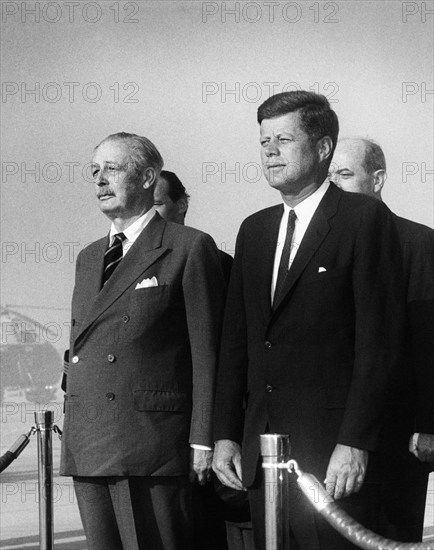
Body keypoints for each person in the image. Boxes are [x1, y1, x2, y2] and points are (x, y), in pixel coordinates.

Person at [212, 91, 406, 550]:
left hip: (331, 459)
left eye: (284, 139)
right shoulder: (254, 230)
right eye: (264, 142)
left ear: (323, 148)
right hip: (262, 459)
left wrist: (355, 442)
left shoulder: (363, 219)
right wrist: (224, 435)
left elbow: (379, 343)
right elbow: (237, 342)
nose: (271, 151)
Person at [60, 132, 226, 550]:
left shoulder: (188, 247)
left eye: (112, 169)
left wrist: (203, 437)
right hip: (89, 441)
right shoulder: (88, 257)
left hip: (151, 444)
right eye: (95, 171)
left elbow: (208, 353)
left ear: (149, 177)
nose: (100, 181)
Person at [330, 137, 434, 541]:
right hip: (334, 430)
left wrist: (428, 425)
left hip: (399, 437)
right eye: (329, 175)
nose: (334, 184)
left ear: (378, 179)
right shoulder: (320, 243)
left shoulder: (417, 241)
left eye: (344, 174)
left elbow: (427, 340)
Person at [154, 171, 253, 550]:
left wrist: (220, 432)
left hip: (208, 432)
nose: (152, 215)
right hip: (157, 440)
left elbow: (231, 354)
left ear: (182, 205)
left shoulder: (217, 263)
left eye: (159, 204)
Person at [154, 170, 233, 284]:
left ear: (181, 205)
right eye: (141, 206)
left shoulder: (219, 262)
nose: (146, 213)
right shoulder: (128, 259)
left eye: (155, 204)